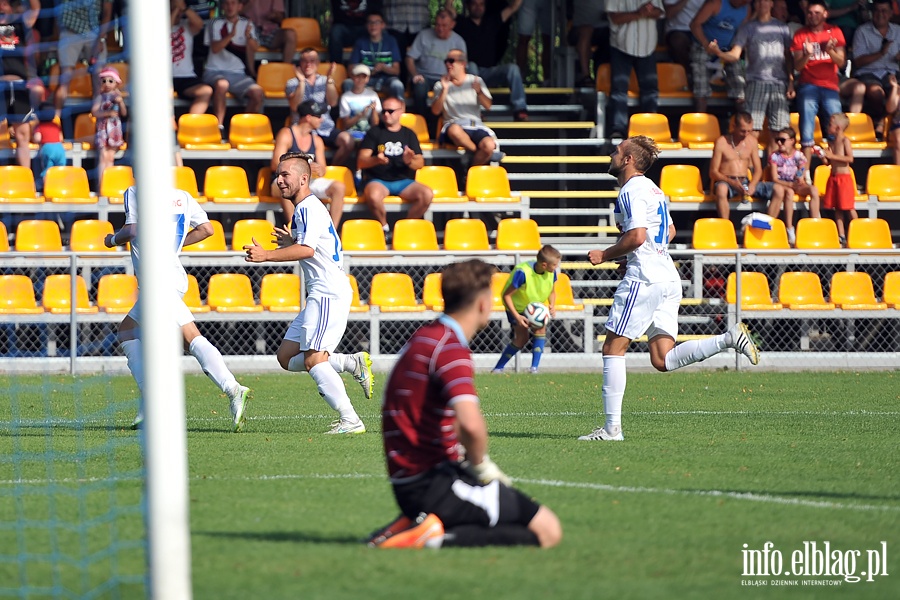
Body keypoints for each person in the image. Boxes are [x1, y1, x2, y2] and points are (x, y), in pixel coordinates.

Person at [367, 258, 563, 549]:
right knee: (548, 530)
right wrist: (483, 468)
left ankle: (417, 521)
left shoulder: (425, 337)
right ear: (483, 303)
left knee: (506, 517)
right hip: (434, 482)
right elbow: (470, 425)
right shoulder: (450, 348)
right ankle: (429, 537)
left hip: (411, 479)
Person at [579, 136, 760, 442]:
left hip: (645, 278)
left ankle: (612, 430)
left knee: (612, 349)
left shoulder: (631, 190)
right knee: (662, 359)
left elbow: (637, 236)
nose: (611, 154)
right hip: (667, 275)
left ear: (627, 161)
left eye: (617, 151)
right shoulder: (655, 190)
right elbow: (669, 230)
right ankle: (729, 338)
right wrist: (636, 252)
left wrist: (606, 255)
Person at [103, 185, 251, 432]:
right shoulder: (182, 197)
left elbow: (133, 229)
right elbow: (207, 229)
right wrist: (175, 247)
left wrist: (111, 240)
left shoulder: (136, 191)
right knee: (128, 330)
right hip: (170, 276)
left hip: (158, 279)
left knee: (190, 336)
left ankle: (232, 387)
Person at [244, 152, 368, 434]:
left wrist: (267, 255)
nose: (279, 180)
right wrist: (293, 240)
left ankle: (351, 420)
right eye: (278, 174)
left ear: (303, 178)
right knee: (287, 357)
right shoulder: (304, 208)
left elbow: (308, 250)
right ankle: (350, 362)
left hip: (328, 292)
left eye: (285, 175)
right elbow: (316, 244)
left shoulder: (308, 207)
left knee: (314, 359)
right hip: (320, 293)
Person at [711, 0, 794, 151]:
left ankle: (772, 173)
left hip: (779, 83)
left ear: (771, 4)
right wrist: (718, 52)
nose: (762, 5)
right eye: (759, 2)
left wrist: (791, 81)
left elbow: (789, 57)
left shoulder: (783, 27)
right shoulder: (747, 27)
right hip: (756, 82)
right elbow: (735, 55)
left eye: (765, 2)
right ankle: (750, 171)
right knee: (751, 132)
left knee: (778, 133)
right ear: (755, 5)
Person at [357, 97, 433, 238]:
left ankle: (404, 228)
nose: (386, 114)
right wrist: (376, 160)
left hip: (403, 181)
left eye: (390, 111)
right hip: (378, 180)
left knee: (427, 194)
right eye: (383, 111)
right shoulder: (374, 132)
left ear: (401, 111)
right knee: (373, 195)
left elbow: (420, 163)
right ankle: (385, 228)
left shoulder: (409, 134)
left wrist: (408, 161)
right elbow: (361, 162)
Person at [448, 0, 529, 122]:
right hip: (470, 72)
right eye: (474, 4)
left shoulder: (493, 21)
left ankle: (520, 109)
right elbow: (449, 7)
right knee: (472, 66)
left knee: (513, 68)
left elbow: (513, 7)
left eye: (481, 4)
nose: (478, 7)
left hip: (490, 72)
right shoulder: (461, 22)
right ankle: (475, 110)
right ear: (468, 6)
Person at [271, 100, 348, 225]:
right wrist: (302, 167)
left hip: (307, 181)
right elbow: (275, 165)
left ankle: (330, 231)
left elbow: (323, 170)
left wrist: (318, 169)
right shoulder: (287, 134)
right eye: (318, 116)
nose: (321, 120)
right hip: (282, 180)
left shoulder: (316, 140)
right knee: (286, 183)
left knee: (338, 187)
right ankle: (294, 229)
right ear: (308, 117)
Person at [791, 0, 846, 164]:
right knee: (807, 129)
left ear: (825, 14)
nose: (812, 16)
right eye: (810, 13)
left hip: (830, 86)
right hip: (808, 85)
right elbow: (797, 66)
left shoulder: (834, 31)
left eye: (817, 13)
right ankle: (805, 172)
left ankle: (834, 166)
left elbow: (841, 62)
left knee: (836, 128)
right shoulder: (800, 34)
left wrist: (829, 51)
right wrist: (807, 55)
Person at [491, 245, 560, 374]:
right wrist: (517, 316)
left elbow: (552, 291)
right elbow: (506, 296)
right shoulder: (522, 273)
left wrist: (552, 305)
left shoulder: (551, 273)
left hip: (535, 307)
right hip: (517, 307)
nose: (557, 267)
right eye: (555, 265)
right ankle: (498, 368)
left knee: (540, 329)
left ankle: (534, 368)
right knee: (522, 338)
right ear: (544, 265)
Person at [605, 0, 665, 140]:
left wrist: (650, 11)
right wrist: (639, 13)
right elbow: (614, 17)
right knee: (619, 90)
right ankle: (618, 129)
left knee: (650, 90)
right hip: (621, 45)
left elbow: (660, 12)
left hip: (647, 45)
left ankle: (649, 129)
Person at [431, 50, 503, 167]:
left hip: (475, 125)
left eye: (451, 61)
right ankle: (477, 152)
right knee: (454, 130)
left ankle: (469, 171)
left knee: (489, 146)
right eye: (446, 61)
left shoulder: (475, 81)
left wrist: (479, 92)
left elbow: (488, 106)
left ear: (462, 64)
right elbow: (435, 111)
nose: (447, 65)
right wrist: (444, 90)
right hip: (454, 126)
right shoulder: (440, 85)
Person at [203, 0, 265, 130]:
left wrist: (249, 38)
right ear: (223, 6)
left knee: (258, 93)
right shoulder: (215, 23)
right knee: (222, 84)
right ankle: (218, 128)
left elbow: (254, 48)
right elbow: (215, 48)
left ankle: (242, 128)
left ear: (240, 6)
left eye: (233, 3)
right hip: (214, 71)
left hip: (238, 74)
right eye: (227, 3)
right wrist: (231, 35)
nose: (230, 7)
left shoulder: (247, 24)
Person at [285, 48, 355, 162]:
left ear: (318, 63)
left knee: (348, 141)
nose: (308, 64)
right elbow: (294, 106)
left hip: (325, 126)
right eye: (304, 60)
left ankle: (333, 169)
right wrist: (302, 82)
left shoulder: (325, 80)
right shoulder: (292, 83)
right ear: (300, 63)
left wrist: (329, 80)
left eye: (312, 60)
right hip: (304, 128)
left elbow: (333, 102)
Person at [405, 8, 467, 132]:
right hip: (425, 76)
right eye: (437, 25)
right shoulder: (424, 35)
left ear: (452, 25)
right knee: (419, 86)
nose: (440, 28)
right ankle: (422, 121)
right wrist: (415, 74)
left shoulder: (458, 41)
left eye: (444, 25)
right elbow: (409, 58)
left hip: (448, 77)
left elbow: (462, 65)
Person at [1, 0, 44, 169]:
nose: (2, 6)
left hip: (19, 85)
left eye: (5, 3)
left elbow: (36, 8)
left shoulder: (19, 24)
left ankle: (26, 179)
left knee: (23, 135)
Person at [689, 0, 751, 113]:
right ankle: (700, 121)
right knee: (701, 87)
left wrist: (733, 49)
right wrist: (705, 43)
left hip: (727, 49)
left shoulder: (746, 9)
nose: (742, 3)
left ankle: (744, 122)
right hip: (704, 46)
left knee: (740, 84)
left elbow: (741, 32)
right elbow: (695, 24)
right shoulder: (716, 3)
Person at [851, 0, 900, 140]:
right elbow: (858, 61)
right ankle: (881, 120)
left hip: (892, 72)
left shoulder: (897, 31)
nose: (881, 14)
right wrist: (881, 53)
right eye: (877, 11)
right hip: (868, 72)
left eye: (884, 11)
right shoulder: (862, 31)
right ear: (872, 13)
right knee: (875, 92)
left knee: (897, 92)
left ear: (891, 13)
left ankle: (882, 121)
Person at [53, 0, 113, 114]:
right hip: (69, 30)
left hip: (94, 32)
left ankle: (97, 113)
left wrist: (100, 39)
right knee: (65, 77)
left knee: (99, 74)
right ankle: (57, 119)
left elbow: (107, 12)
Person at [767, 127, 821, 245]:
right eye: (777, 140)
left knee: (813, 189)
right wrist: (790, 184)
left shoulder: (798, 155)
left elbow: (802, 167)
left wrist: (800, 176)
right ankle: (789, 227)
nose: (779, 143)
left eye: (782, 140)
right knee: (790, 193)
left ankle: (815, 221)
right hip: (783, 183)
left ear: (791, 141)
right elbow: (775, 178)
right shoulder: (775, 156)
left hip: (795, 183)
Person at [709, 111, 763, 219]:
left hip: (746, 181)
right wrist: (732, 182)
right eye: (743, 131)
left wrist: (752, 185)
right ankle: (726, 227)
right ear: (734, 127)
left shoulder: (752, 141)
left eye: (749, 131)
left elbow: (758, 170)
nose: (746, 134)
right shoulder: (722, 142)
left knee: (778, 190)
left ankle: (772, 226)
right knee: (721, 189)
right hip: (726, 181)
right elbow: (713, 172)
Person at [346, 10, 405, 98]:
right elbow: (351, 68)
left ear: (383, 25)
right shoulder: (360, 42)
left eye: (377, 22)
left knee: (397, 85)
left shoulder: (391, 41)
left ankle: (398, 111)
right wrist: (364, 71)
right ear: (366, 25)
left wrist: (383, 67)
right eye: (370, 22)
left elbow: (396, 70)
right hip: (365, 78)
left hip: (387, 79)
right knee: (348, 83)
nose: (373, 26)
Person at [171, 0, 213, 115]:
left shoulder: (187, 25)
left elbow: (199, 24)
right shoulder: (156, 28)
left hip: (186, 77)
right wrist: (175, 9)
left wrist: (184, 8)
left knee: (206, 91)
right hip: (164, 78)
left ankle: (189, 126)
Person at [821, 112, 856, 246]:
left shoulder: (844, 141)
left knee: (849, 207)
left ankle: (856, 230)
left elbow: (849, 159)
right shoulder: (832, 142)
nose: (827, 127)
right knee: (837, 208)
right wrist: (823, 156)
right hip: (833, 177)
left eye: (830, 124)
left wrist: (832, 155)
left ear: (838, 128)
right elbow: (828, 163)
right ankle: (841, 235)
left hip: (844, 178)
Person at [92, 66, 126, 190]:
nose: (107, 84)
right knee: (103, 156)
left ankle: (109, 185)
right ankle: (101, 185)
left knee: (110, 157)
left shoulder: (118, 97)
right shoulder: (100, 97)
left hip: (114, 129)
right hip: (102, 128)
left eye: (110, 81)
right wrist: (107, 114)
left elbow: (124, 113)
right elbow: (94, 112)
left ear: (116, 83)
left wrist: (120, 102)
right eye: (104, 81)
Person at [339, 64, 382, 164]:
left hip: (369, 132)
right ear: (353, 77)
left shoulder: (373, 95)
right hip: (352, 132)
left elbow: (375, 123)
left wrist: (374, 110)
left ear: (367, 79)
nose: (360, 80)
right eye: (358, 76)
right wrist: (361, 114)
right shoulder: (346, 97)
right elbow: (346, 124)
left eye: (364, 77)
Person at [664, 0, 707, 85]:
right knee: (678, 41)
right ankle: (689, 74)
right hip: (679, 28)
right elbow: (669, 14)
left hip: (702, 29)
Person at [515, 0, 551, 86]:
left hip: (549, 3)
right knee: (523, 38)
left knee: (548, 40)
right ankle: (518, 78)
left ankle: (548, 79)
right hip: (528, 2)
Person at [31, 102, 65, 192]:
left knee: (48, 170)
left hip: (48, 148)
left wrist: (33, 137)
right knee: (60, 169)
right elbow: (61, 138)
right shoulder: (56, 126)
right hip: (60, 148)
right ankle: (60, 188)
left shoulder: (39, 126)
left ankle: (46, 189)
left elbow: (37, 138)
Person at [330, 0, 376, 65]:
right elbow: (337, 15)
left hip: (364, 28)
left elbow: (375, 12)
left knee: (377, 28)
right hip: (344, 28)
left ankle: (375, 65)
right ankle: (337, 68)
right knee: (336, 31)